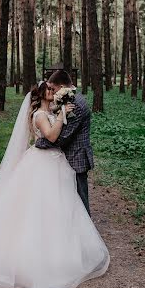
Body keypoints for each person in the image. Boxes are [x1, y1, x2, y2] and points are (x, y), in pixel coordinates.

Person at [0, 81, 109, 288]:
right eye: (50, 90)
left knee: (57, 208)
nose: (53, 92)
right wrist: (62, 116)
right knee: (37, 207)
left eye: (54, 89)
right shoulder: (40, 116)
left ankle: (60, 252)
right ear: (42, 95)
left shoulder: (49, 111)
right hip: (42, 164)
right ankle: (31, 257)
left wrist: (61, 112)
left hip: (54, 162)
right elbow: (51, 136)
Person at [35, 69, 93, 216]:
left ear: (61, 87)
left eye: (53, 89)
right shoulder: (70, 99)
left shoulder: (76, 105)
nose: (52, 93)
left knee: (80, 200)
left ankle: (86, 234)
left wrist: (39, 144)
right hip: (64, 158)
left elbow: (63, 137)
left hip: (76, 157)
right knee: (68, 200)